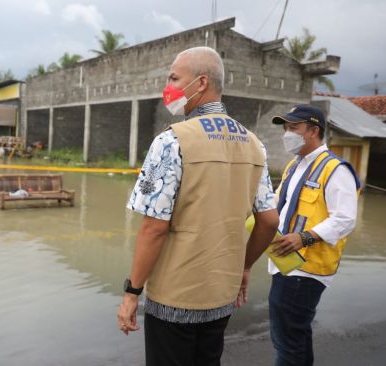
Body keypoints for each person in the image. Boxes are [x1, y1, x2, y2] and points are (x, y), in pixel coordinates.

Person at [117, 46, 279, 366]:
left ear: (201, 82)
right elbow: (269, 221)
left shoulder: (173, 140)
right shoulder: (253, 144)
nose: (169, 85)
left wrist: (131, 293)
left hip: (175, 297)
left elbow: (153, 228)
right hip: (222, 294)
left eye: (174, 78)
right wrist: (244, 267)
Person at [268, 105, 360, 366]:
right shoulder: (293, 166)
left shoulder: (336, 169)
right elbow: (279, 205)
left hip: (307, 268)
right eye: (286, 128)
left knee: (286, 343)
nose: (287, 134)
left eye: (294, 128)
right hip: (284, 263)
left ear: (313, 131)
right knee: (295, 336)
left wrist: (304, 237)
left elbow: (345, 219)